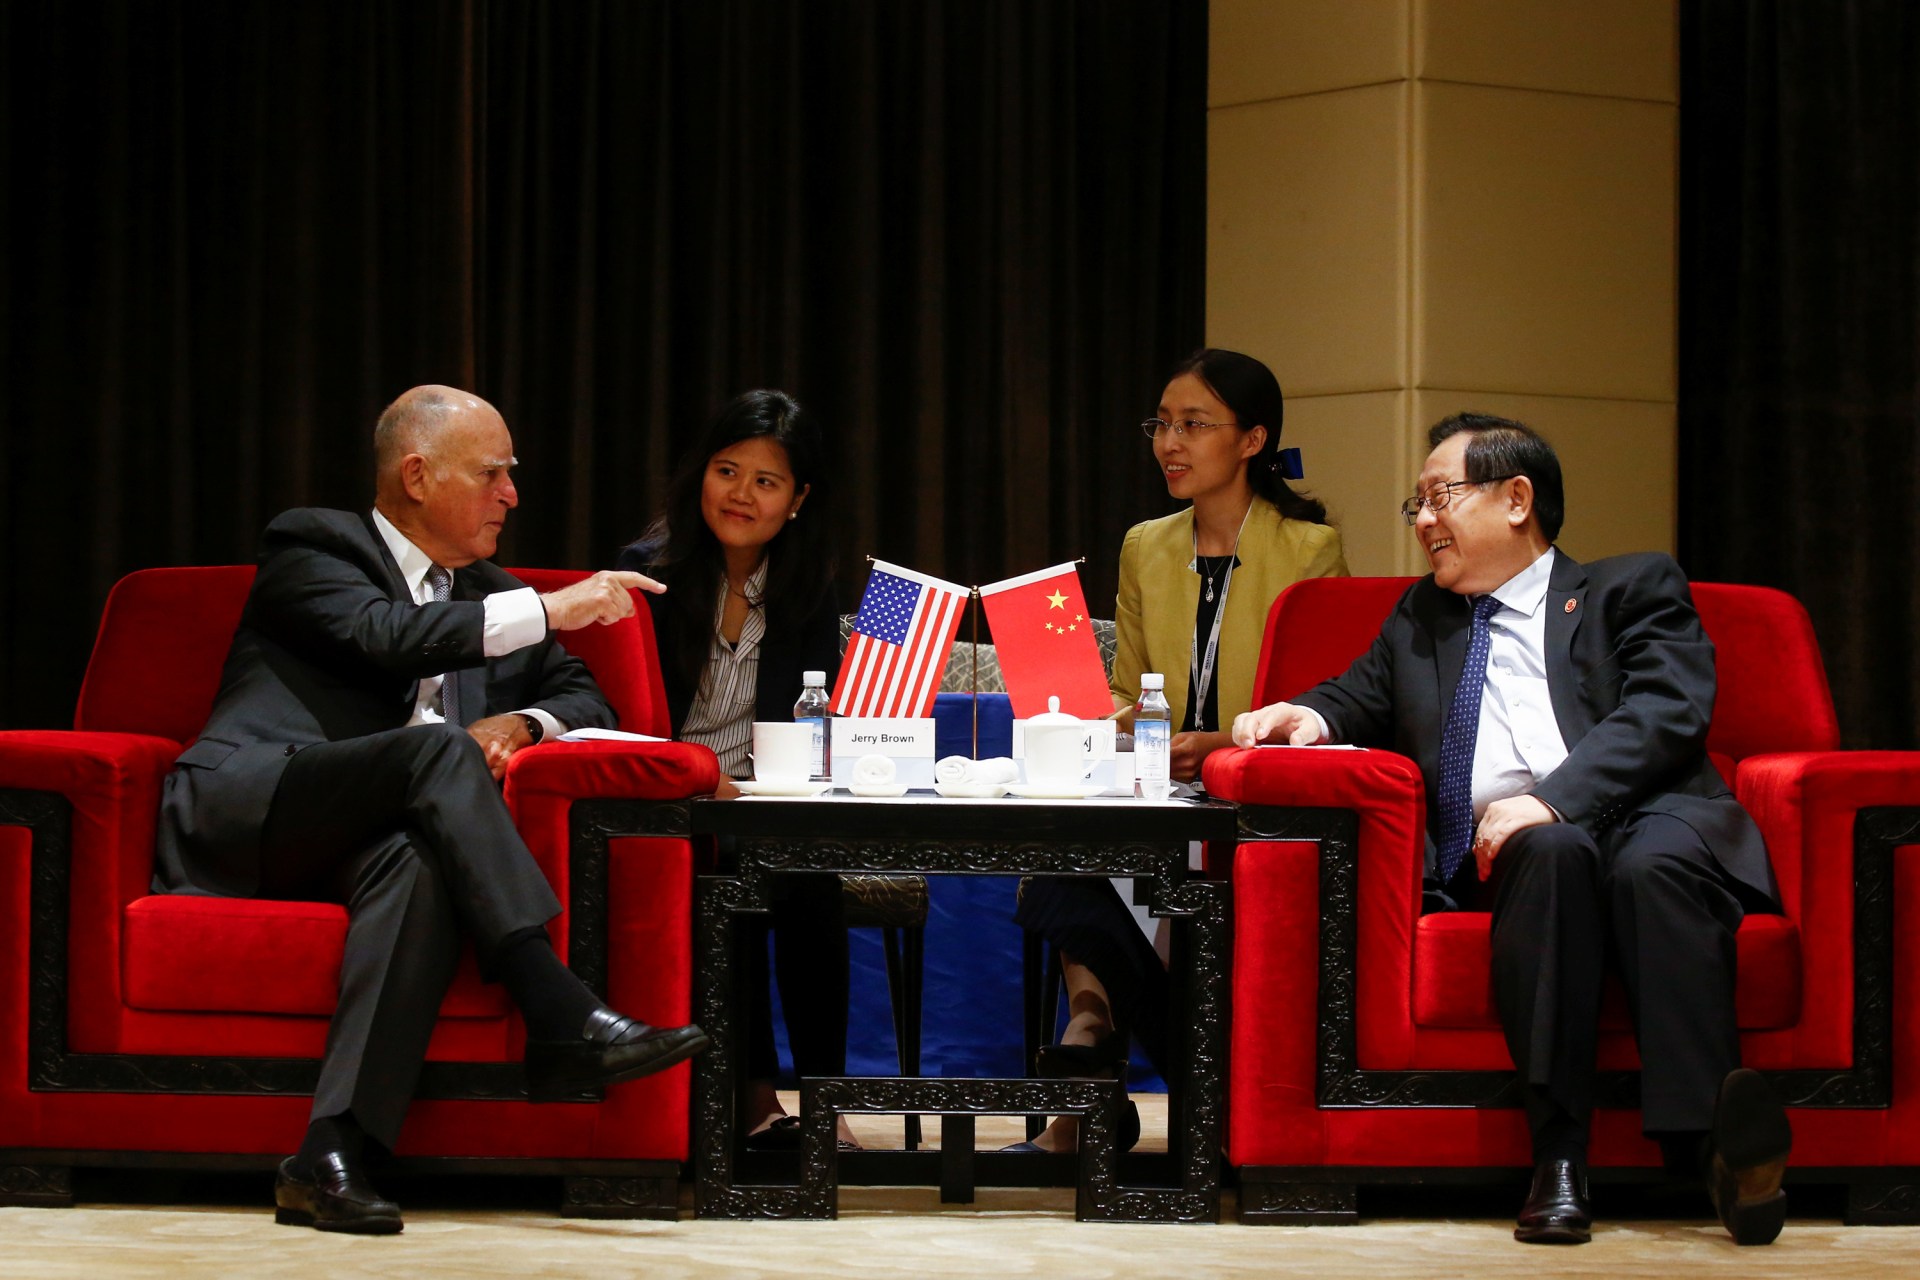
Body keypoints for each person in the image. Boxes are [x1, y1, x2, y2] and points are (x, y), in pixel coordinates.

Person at [153, 386, 710, 1235]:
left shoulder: (493, 591)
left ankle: (329, 1157)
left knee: (420, 861)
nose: (512, 496)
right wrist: (550, 610)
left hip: (375, 834)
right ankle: (555, 1005)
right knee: (440, 752)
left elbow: (586, 698)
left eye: (511, 477)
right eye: (492, 474)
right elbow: (385, 635)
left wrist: (524, 721)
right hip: (257, 809)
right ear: (416, 475)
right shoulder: (314, 545)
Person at [1231, 412, 1792, 1246]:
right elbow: (1355, 696)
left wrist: (1554, 795)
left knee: (1649, 868)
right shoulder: (1421, 616)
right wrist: (1302, 716)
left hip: (1651, 818)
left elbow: (1668, 712)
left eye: (1438, 498)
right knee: (1553, 851)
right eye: (1414, 505)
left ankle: (1709, 1143)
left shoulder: (1629, 587)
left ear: (1517, 499)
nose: (1422, 521)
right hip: (1522, 854)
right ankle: (1559, 1162)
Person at [1013, 349, 1348, 1153]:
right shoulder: (1144, 545)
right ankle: (1092, 1032)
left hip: (1246, 797)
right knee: (1052, 857)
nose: (1169, 441)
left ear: (1252, 439)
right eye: (1161, 424)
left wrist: (1218, 741)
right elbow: (1129, 690)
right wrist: (1119, 729)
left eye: (1193, 424)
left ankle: (1114, 1081)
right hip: (1151, 784)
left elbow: (1307, 706)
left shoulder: (1310, 550)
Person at [616, 389, 857, 1151]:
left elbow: (816, 715)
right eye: (728, 470)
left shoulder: (809, 587)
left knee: (809, 879)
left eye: (766, 481)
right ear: (700, 476)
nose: (741, 494)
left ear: (797, 500)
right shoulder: (647, 574)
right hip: (664, 798)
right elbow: (620, 714)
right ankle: (748, 1096)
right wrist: (694, 778)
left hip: (761, 798)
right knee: (727, 882)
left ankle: (826, 1102)